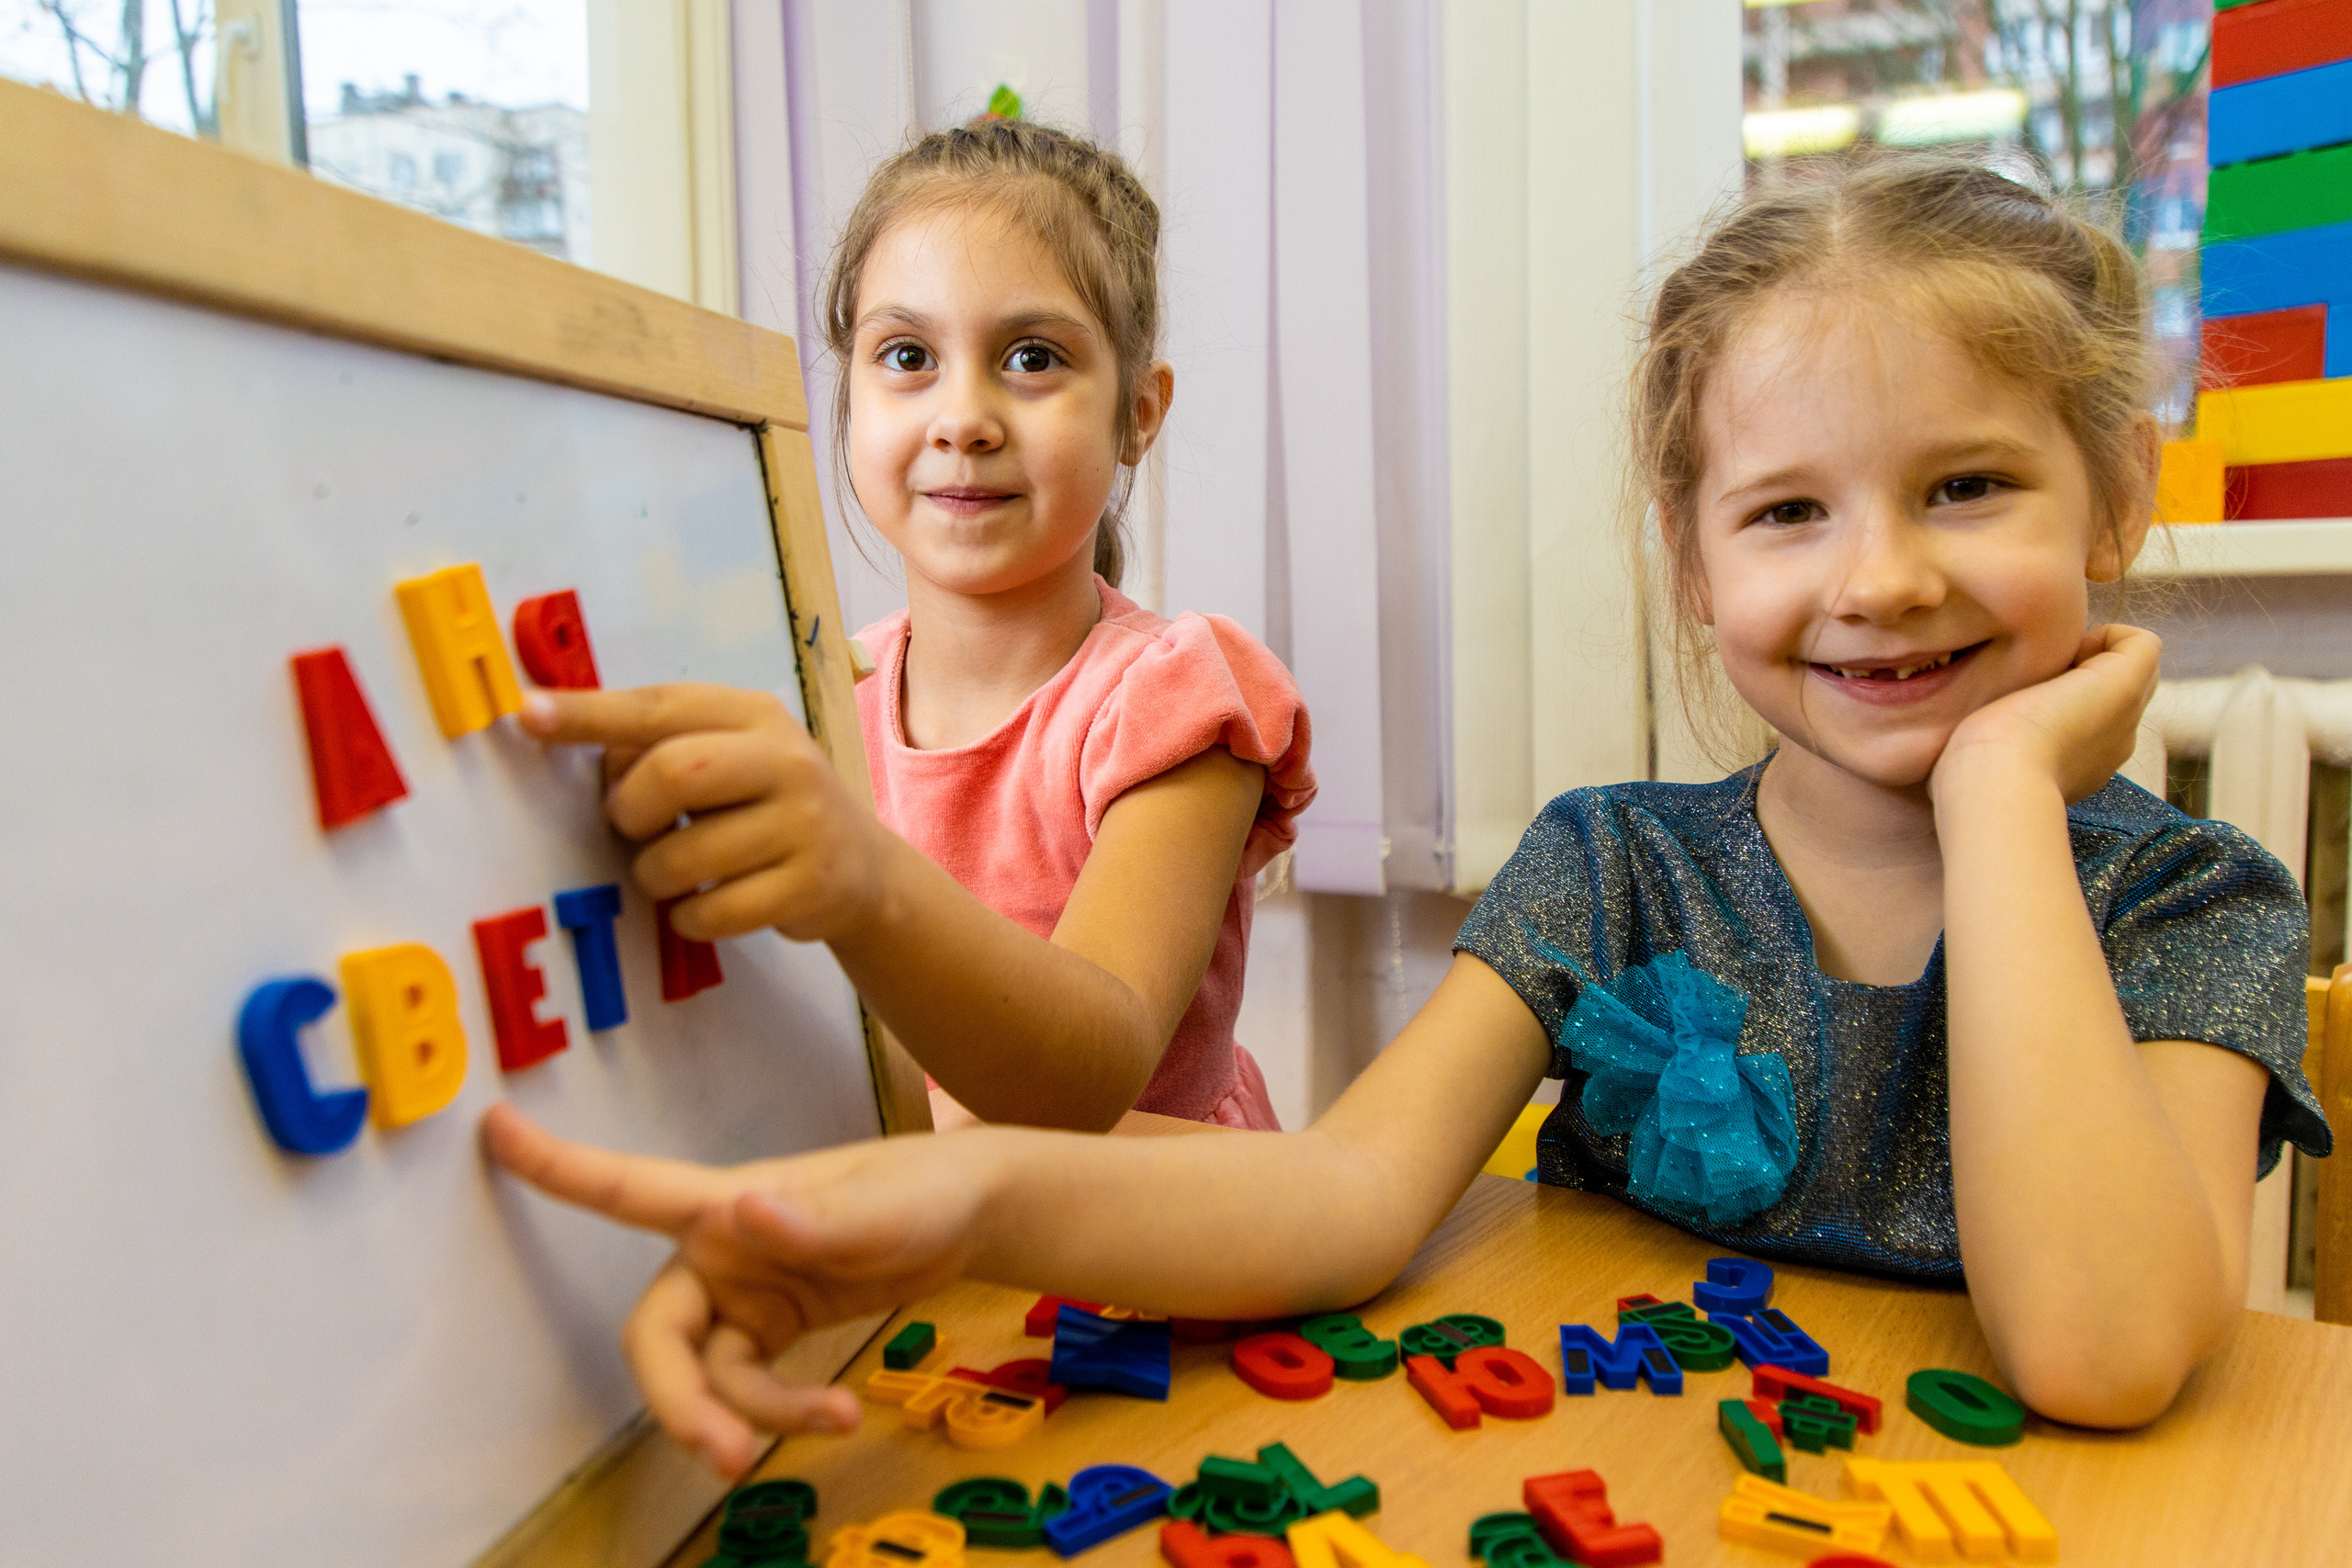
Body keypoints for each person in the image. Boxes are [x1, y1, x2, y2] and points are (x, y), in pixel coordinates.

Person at [484, 155, 2330, 1478]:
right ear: (1688, 560)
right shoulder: (1612, 866)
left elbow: (2096, 1352)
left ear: (2108, 509)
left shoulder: (2192, 897)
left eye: (1963, 486)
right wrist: (941, 1197)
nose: (1883, 577)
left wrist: (2003, 794)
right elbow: (1344, 1193)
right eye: (1784, 512)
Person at [516, 116, 1312, 1135]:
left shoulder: (1176, 704)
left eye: (1031, 357)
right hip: (907, 1238)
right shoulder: (822, 693)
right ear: (848, 393)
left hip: (1137, 1259)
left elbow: (1091, 1071)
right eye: (906, 355)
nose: (962, 417)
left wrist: (863, 880)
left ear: (1137, 416)